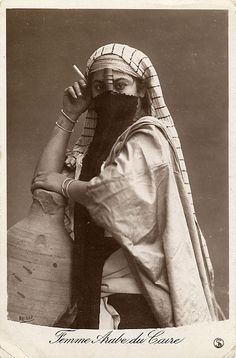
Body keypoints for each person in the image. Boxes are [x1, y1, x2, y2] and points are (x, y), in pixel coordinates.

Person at [31, 43, 223, 329]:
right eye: (99, 88)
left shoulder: (148, 137)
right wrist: (70, 114)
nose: (111, 95)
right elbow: (43, 186)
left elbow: (109, 193)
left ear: (142, 89)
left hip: (138, 299)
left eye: (121, 85)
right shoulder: (89, 151)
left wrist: (67, 184)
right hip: (89, 292)